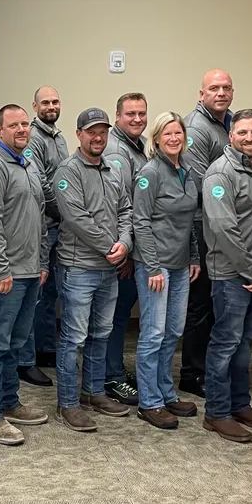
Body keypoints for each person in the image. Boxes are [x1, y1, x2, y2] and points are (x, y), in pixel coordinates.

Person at [0, 105, 50, 445]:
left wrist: (42, 261)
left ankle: (9, 401)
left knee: (16, 342)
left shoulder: (28, 164)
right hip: (4, 274)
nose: (21, 129)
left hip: (30, 270)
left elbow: (40, 216)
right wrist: (0, 269)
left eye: (23, 124)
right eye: (13, 125)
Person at [53, 108, 133, 432]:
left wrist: (125, 243)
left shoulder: (113, 170)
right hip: (78, 270)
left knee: (101, 334)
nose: (98, 137)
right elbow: (76, 218)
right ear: (79, 135)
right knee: (74, 338)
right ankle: (68, 404)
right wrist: (110, 246)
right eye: (91, 131)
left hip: (108, 269)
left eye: (103, 131)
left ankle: (93, 391)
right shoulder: (67, 171)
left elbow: (126, 209)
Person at [201, 109, 252, 443]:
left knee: (245, 343)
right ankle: (216, 413)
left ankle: (239, 403)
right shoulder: (220, 173)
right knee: (225, 343)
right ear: (230, 135)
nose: (250, 138)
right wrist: (249, 270)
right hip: (233, 274)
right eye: (243, 132)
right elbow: (223, 227)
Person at [131, 112, 200, 430]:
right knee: (153, 334)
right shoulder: (150, 173)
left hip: (181, 265)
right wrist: (153, 266)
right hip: (154, 267)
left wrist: (195, 257)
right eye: (167, 134)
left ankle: (166, 393)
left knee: (173, 332)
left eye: (178, 133)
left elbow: (191, 221)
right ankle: (150, 402)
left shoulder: (186, 170)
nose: (174, 138)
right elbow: (140, 221)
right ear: (156, 139)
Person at [180, 69, 235, 398]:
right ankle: (192, 372)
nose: (221, 92)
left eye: (226, 87)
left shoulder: (229, 121)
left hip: (224, 223)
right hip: (203, 224)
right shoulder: (197, 128)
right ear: (201, 94)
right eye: (214, 88)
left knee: (217, 301)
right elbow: (204, 185)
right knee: (200, 304)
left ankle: (212, 367)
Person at [102, 93, 149, 403]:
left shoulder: (138, 144)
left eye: (141, 113)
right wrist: (129, 253)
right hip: (124, 253)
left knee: (117, 316)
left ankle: (114, 368)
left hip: (133, 247)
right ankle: (111, 377)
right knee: (115, 317)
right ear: (117, 117)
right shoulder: (117, 152)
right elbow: (124, 206)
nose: (136, 119)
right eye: (130, 113)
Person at [18, 86, 68, 378]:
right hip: (43, 225)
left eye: (55, 101)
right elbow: (42, 186)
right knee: (33, 295)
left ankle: (45, 349)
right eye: (45, 102)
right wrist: (65, 213)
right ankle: (27, 360)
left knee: (49, 293)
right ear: (34, 106)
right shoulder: (33, 138)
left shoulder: (58, 137)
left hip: (58, 226)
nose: (51, 106)